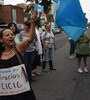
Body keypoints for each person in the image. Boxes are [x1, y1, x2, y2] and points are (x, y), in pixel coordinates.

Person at [0, 13, 36, 100]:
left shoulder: (18, 48)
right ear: (1, 40)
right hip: (6, 95)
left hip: (22, 93)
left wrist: (33, 22)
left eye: (12, 34)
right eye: (7, 35)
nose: (11, 36)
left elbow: (31, 38)